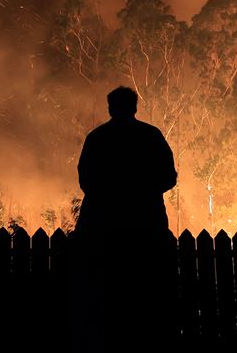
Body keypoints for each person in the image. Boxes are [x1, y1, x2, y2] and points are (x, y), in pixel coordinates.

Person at [72, 86, 178, 352]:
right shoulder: (151, 137)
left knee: (103, 300)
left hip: (102, 231)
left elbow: (86, 180)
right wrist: (143, 191)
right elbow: (168, 177)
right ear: (135, 107)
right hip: (146, 229)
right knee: (146, 300)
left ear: (110, 108)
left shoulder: (97, 138)